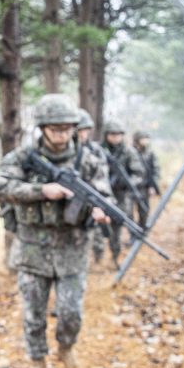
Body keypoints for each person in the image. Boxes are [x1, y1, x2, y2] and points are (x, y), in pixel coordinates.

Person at [0, 94, 111, 368]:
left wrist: (100, 209)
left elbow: (106, 196)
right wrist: (43, 190)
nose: (62, 134)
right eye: (55, 128)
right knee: (33, 313)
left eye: (67, 128)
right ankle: (37, 363)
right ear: (42, 128)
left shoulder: (90, 161)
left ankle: (67, 349)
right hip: (32, 249)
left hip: (73, 249)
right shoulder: (22, 158)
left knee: (71, 312)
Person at [102, 120, 145, 262]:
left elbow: (139, 173)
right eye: (112, 134)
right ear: (106, 135)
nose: (115, 138)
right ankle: (97, 255)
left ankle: (115, 255)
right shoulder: (99, 150)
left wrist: (127, 182)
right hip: (100, 193)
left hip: (120, 195)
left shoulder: (128, 152)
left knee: (116, 227)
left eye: (118, 135)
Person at [76, 108, 108, 264]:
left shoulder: (95, 150)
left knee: (95, 229)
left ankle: (98, 255)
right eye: (79, 130)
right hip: (72, 194)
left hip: (92, 192)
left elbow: (102, 175)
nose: (82, 134)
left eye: (85, 130)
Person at [133, 130, 161, 229]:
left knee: (144, 211)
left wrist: (152, 186)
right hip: (131, 186)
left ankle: (142, 229)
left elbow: (156, 170)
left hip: (144, 187)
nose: (145, 141)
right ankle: (133, 231)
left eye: (146, 138)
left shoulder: (150, 153)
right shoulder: (131, 152)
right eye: (143, 138)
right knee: (128, 211)